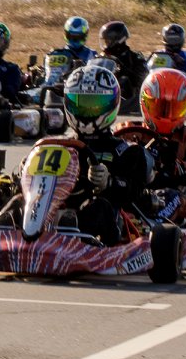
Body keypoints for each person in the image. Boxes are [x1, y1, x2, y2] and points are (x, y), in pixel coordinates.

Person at [57, 65, 152, 245]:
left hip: (110, 224)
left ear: (111, 104)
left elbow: (136, 194)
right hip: (55, 209)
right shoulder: (60, 145)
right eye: (80, 104)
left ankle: (72, 233)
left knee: (100, 207)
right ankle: (6, 228)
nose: (86, 113)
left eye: (94, 105)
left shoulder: (127, 151)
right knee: (17, 199)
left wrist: (109, 182)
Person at [96, 21, 148, 111]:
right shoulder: (101, 57)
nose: (106, 43)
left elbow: (142, 79)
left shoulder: (134, 57)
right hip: (101, 90)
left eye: (108, 40)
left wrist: (125, 70)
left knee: (124, 80)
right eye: (105, 41)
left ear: (118, 39)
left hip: (127, 98)